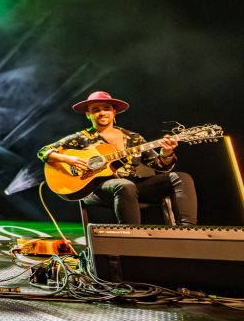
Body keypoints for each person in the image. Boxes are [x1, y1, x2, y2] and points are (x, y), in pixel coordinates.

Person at [37, 90, 197, 225]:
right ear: (88, 115)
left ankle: (188, 230)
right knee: (124, 185)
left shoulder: (133, 137)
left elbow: (159, 165)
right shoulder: (81, 137)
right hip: (98, 189)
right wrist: (69, 160)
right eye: (95, 110)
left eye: (106, 108)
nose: (101, 113)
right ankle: (130, 237)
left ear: (114, 112)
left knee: (181, 177)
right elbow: (44, 152)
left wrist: (166, 153)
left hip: (135, 185)